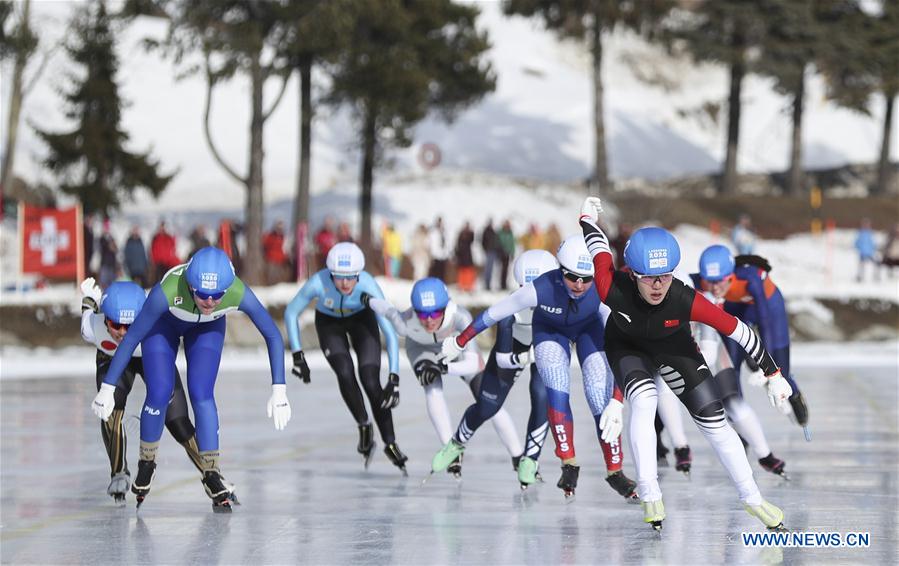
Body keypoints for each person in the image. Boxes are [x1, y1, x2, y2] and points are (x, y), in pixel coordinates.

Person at [577, 197, 791, 531]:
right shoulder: (610, 287)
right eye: (649, 278)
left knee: (716, 424)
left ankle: (753, 499)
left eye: (665, 276)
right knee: (645, 401)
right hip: (627, 347)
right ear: (632, 274)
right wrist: (587, 218)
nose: (658, 286)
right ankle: (650, 492)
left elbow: (739, 331)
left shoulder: (684, 298)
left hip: (674, 349)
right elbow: (598, 245)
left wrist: (773, 374)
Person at [91, 247, 291, 513]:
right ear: (189, 285)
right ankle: (147, 463)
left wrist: (279, 389)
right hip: (164, 325)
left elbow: (273, 335)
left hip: (207, 328)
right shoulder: (167, 291)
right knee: (160, 392)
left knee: (202, 393)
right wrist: (108, 387)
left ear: (226, 289)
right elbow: (132, 338)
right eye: (202, 294)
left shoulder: (236, 290)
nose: (209, 302)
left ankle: (211, 471)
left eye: (216, 296)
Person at [441, 237, 638, 501]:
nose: (579, 285)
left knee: (599, 396)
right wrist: (459, 341)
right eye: (571, 277)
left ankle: (614, 471)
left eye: (586, 279)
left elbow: (623, 351)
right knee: (554, 390)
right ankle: (568, 463)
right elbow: (492, 314)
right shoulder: (539, 288)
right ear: (559, 271)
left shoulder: (602, 293)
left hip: (588, 330)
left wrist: (617, 400)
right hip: (549, 333)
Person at [80, 278, 236, 504]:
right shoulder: (91, 328)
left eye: (131, 326)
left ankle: (212, 474)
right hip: (112, 360)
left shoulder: (156, 321)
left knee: (178, 421)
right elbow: (87, 310)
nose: (123, 333)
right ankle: (118, 472)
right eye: (115, 325)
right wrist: (90, 299)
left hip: (152, 355)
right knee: (110, 408)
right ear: (104, 319)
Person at [366, 277, 523, 479]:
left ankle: (518, 455)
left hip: (456, 350)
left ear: (446, 307)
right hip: (421, 350)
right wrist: (366, 300)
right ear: (414, 311)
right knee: (432, 388)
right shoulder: (405, 322)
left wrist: (443, 367)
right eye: (423, 314)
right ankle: (451, 451)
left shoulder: (460, 317)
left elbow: (473, 364)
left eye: (435, 312)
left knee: (489, 400)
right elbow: (387, 309)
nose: (429, 320)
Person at [426, 251, 554, 489]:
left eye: (539, 288)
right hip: (516, 349)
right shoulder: (510, 310)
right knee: (487, 405)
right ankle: (457, 443)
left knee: (541, 395)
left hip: (547, 344)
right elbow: (504, 360)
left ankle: (530, 459)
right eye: (526, 289)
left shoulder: (564, 300)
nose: (531, 297)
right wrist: (525, 357)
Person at [284, 242, 408, 474]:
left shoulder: (368, 285)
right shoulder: (318, 282)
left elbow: (390, 333)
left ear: (358, 275)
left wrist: (394, 378)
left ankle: (390, 443)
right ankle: (364, 425)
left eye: (351, 277)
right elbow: (291, 312)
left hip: (362, 321)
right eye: (338, 277)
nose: (344, 283)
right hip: (329, 324)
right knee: (344, 371)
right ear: (330, 273)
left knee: (371, 381)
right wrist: (298, 355)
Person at [694, 245, 809, 429]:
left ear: (730, 276)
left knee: (781, 370)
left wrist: (768, 369)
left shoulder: (751, 278)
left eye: (719, 281)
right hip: (737, 309)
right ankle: (739, 420)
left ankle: (794, 393)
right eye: (709, 281)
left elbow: (765, 322)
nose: (714, 288)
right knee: (733, 367)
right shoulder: (706, 281)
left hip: (769, 308)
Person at [262, 220, 289, 284]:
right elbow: (265, 245)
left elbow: (285, 248)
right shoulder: (270, 236)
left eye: (281, 228)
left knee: (279, 276)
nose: (280, 230)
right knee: (271, 276)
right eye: (278, 228)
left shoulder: (283, 237)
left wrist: (285, 258)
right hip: (271, 259)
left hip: (280, 260)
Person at [854, 218, 878, 282]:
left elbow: (873, 242)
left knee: (875, 264)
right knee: (861, 265)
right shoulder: (860, 233)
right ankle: (860, 276)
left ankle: (875, 276)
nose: (866, 226)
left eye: (867, 224)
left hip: (870, 252)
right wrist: (859, 248)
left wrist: (873, 248)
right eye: (865, 224)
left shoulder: (870, 233)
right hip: (862, 252)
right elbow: (857, 242)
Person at [455, 221, 476, 292]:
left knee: (469, 271)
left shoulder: (470, 235)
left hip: (468, 256)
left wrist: (471, 232)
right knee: (462, 271)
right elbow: (457, 246)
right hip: (462, 256)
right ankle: (462, 285)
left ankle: (469, 285)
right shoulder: (460, 236)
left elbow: (472, 239)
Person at [428, 217, 451, 281]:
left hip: (443, 256)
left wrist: (447, 253)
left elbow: (447, 243)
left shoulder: (444, 232)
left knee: (442, 274)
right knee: (434, 273)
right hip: (435, 256)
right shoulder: (433, 232)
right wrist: (432, 254)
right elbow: (431, 243)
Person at [497, 220, 516, 290]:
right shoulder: (501, 233)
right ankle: (501, 284)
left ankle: (505, 284)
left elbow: (512, 244)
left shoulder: (510, 233)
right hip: (501, 253)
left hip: (508, 254)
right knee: (501, 269)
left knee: (506, 269)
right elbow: (499, 242)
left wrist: (512, 253)